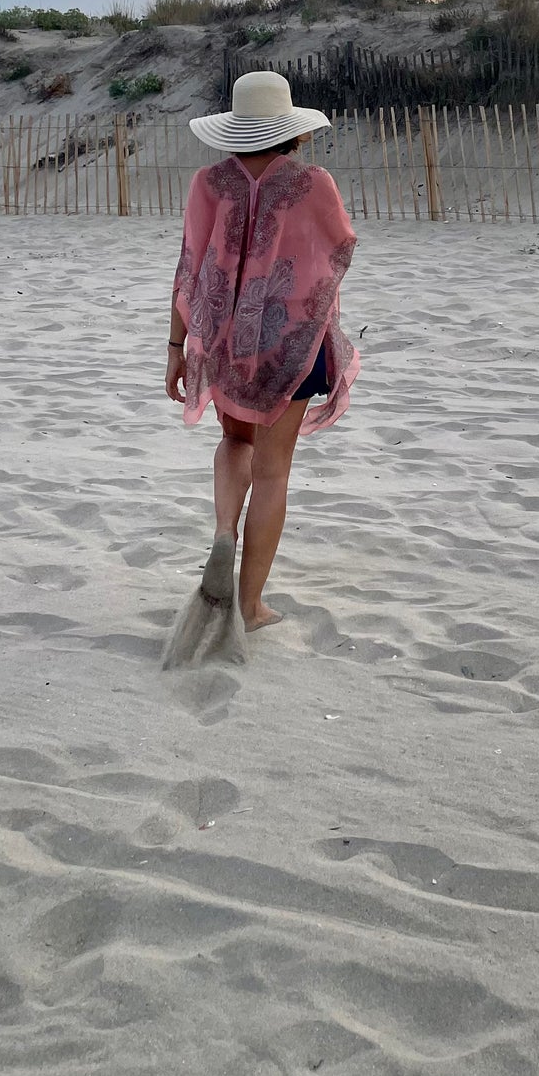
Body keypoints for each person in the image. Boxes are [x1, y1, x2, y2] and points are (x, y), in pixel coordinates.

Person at [162, 72, 359, 662]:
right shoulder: (313, 184)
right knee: (274, 471)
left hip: (223, 342)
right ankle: (247, 607)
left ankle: (225, 531)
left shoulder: (206, 184)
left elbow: (189, 270)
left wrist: (176, 348)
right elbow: (335, 256)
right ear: (290, 131)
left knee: (234, 441)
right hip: (289, 348)